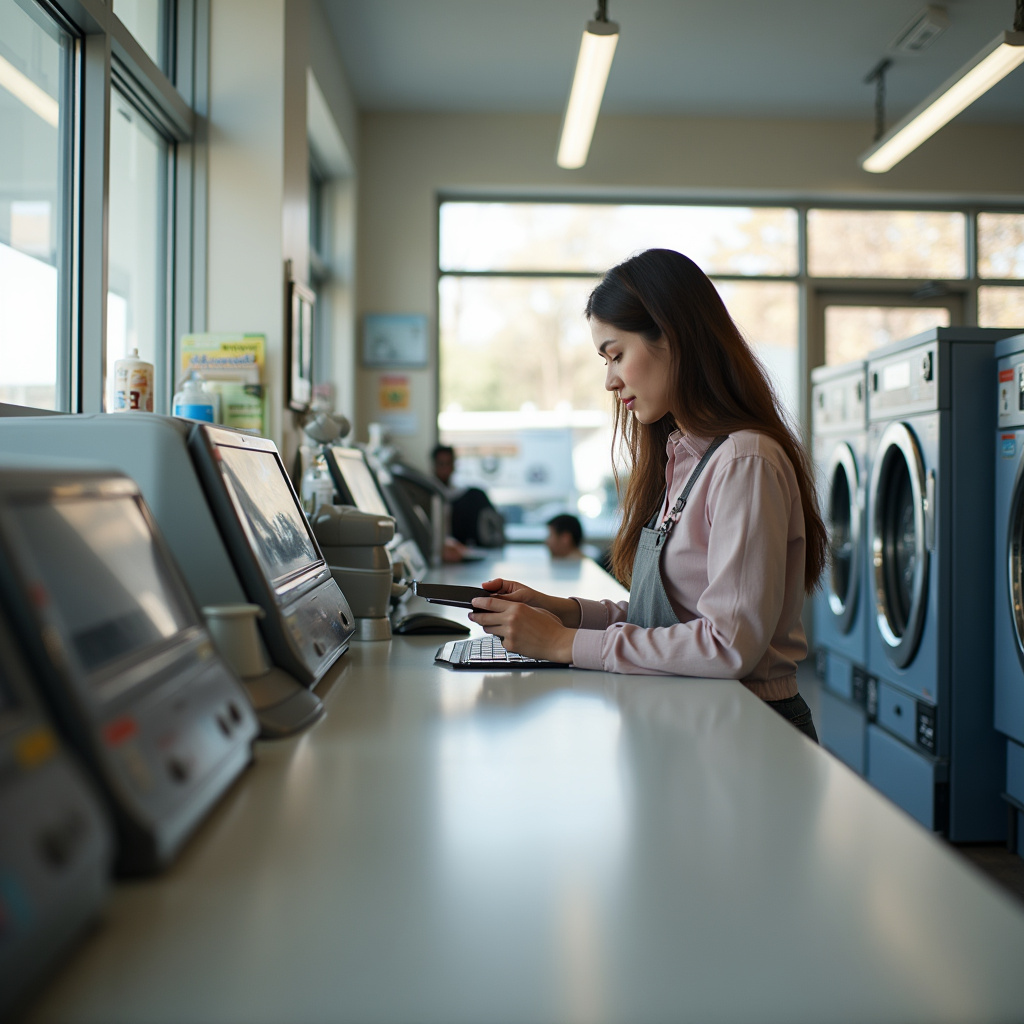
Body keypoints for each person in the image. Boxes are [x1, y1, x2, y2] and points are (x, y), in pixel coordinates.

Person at [468, 248, 828, 740]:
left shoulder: (745, 461)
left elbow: (726, 645)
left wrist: (564, 644)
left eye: (616, 354)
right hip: (699, 719)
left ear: (672, 336)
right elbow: (665, 621)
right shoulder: (688, 458)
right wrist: (559, 611)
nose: (610, 380)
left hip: (751, 729)